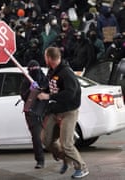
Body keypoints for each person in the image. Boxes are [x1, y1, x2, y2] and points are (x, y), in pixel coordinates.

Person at [37, 47, 89, 178]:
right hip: (55, 110)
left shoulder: (66, 72)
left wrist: (49, 97)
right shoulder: (52, 71)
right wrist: (43, 90)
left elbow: (70, 93)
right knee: (46, 140)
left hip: (69, 112)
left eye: (45, 57)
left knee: (66, 143)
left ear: (48, 58)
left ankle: (81, 167)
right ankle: (66, 159)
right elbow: (53, 86)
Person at [20, 60, 48, 169]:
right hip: (32, 113)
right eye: (32, 69)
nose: (35, 71)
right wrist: (30, 90)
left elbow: (50, 92)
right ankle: (40, 160)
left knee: (50, 137)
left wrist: (42, 90)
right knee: (36, 138)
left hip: (44, 111)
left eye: (36, 68)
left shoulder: (45, 80)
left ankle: (58, 153)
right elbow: (23, 96)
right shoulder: (26, 82)